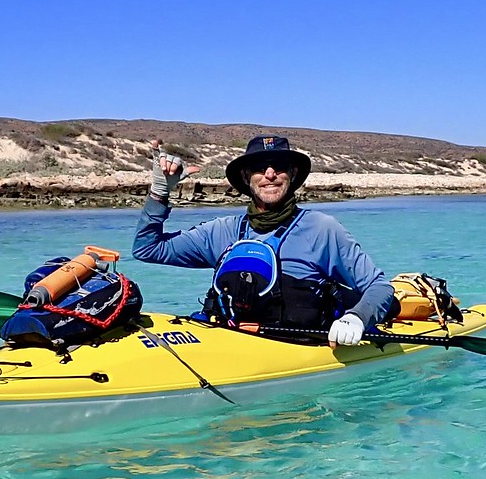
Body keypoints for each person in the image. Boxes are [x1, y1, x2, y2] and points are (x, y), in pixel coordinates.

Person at [133, 134, 392, 345]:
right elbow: (147, 249)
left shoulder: (322, 229)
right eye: (259, 167)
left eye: (279, 167)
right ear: (247, 177)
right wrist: (159, 192)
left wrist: (356, 319)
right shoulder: (222, 231)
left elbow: (380, 287)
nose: (269, 174)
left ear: (291, 174)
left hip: (302, 351)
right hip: (234, 345)